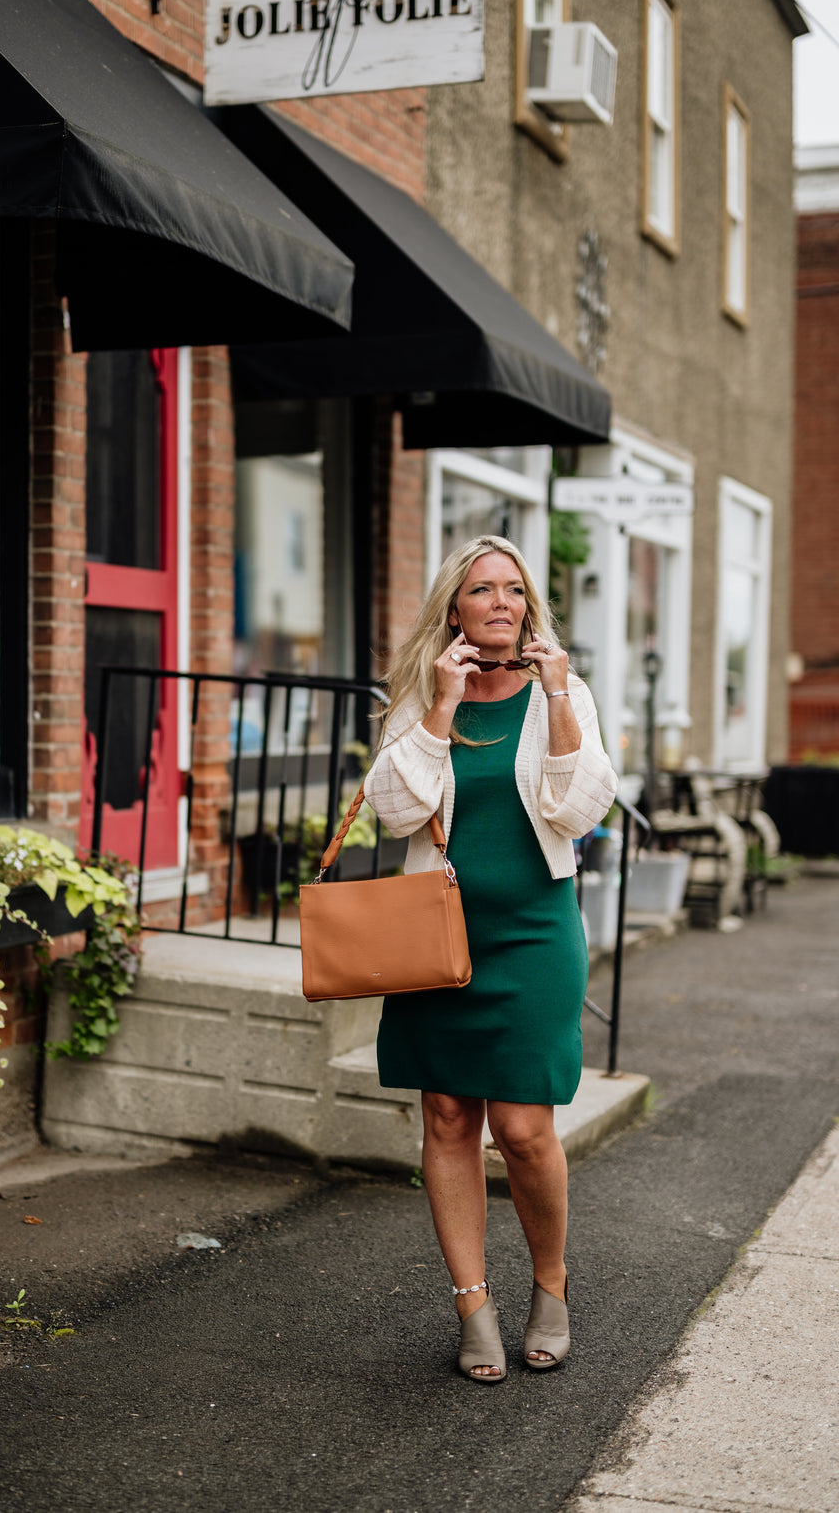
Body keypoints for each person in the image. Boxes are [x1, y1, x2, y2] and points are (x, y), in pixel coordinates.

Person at [363, 535, 617, 1382]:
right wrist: (440, 708)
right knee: (446, 1117)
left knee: (523, 1128)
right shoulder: (420, 695)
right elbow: (395, 812)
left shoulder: (562, 691)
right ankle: (473, 1302)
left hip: (535, 935)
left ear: (529, 608)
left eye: (514, 590)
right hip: (439, 937)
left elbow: (577, 810)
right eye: (482, 590)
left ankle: (551, 1285)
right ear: (455, 609)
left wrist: (560, 702)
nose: (501, 602)